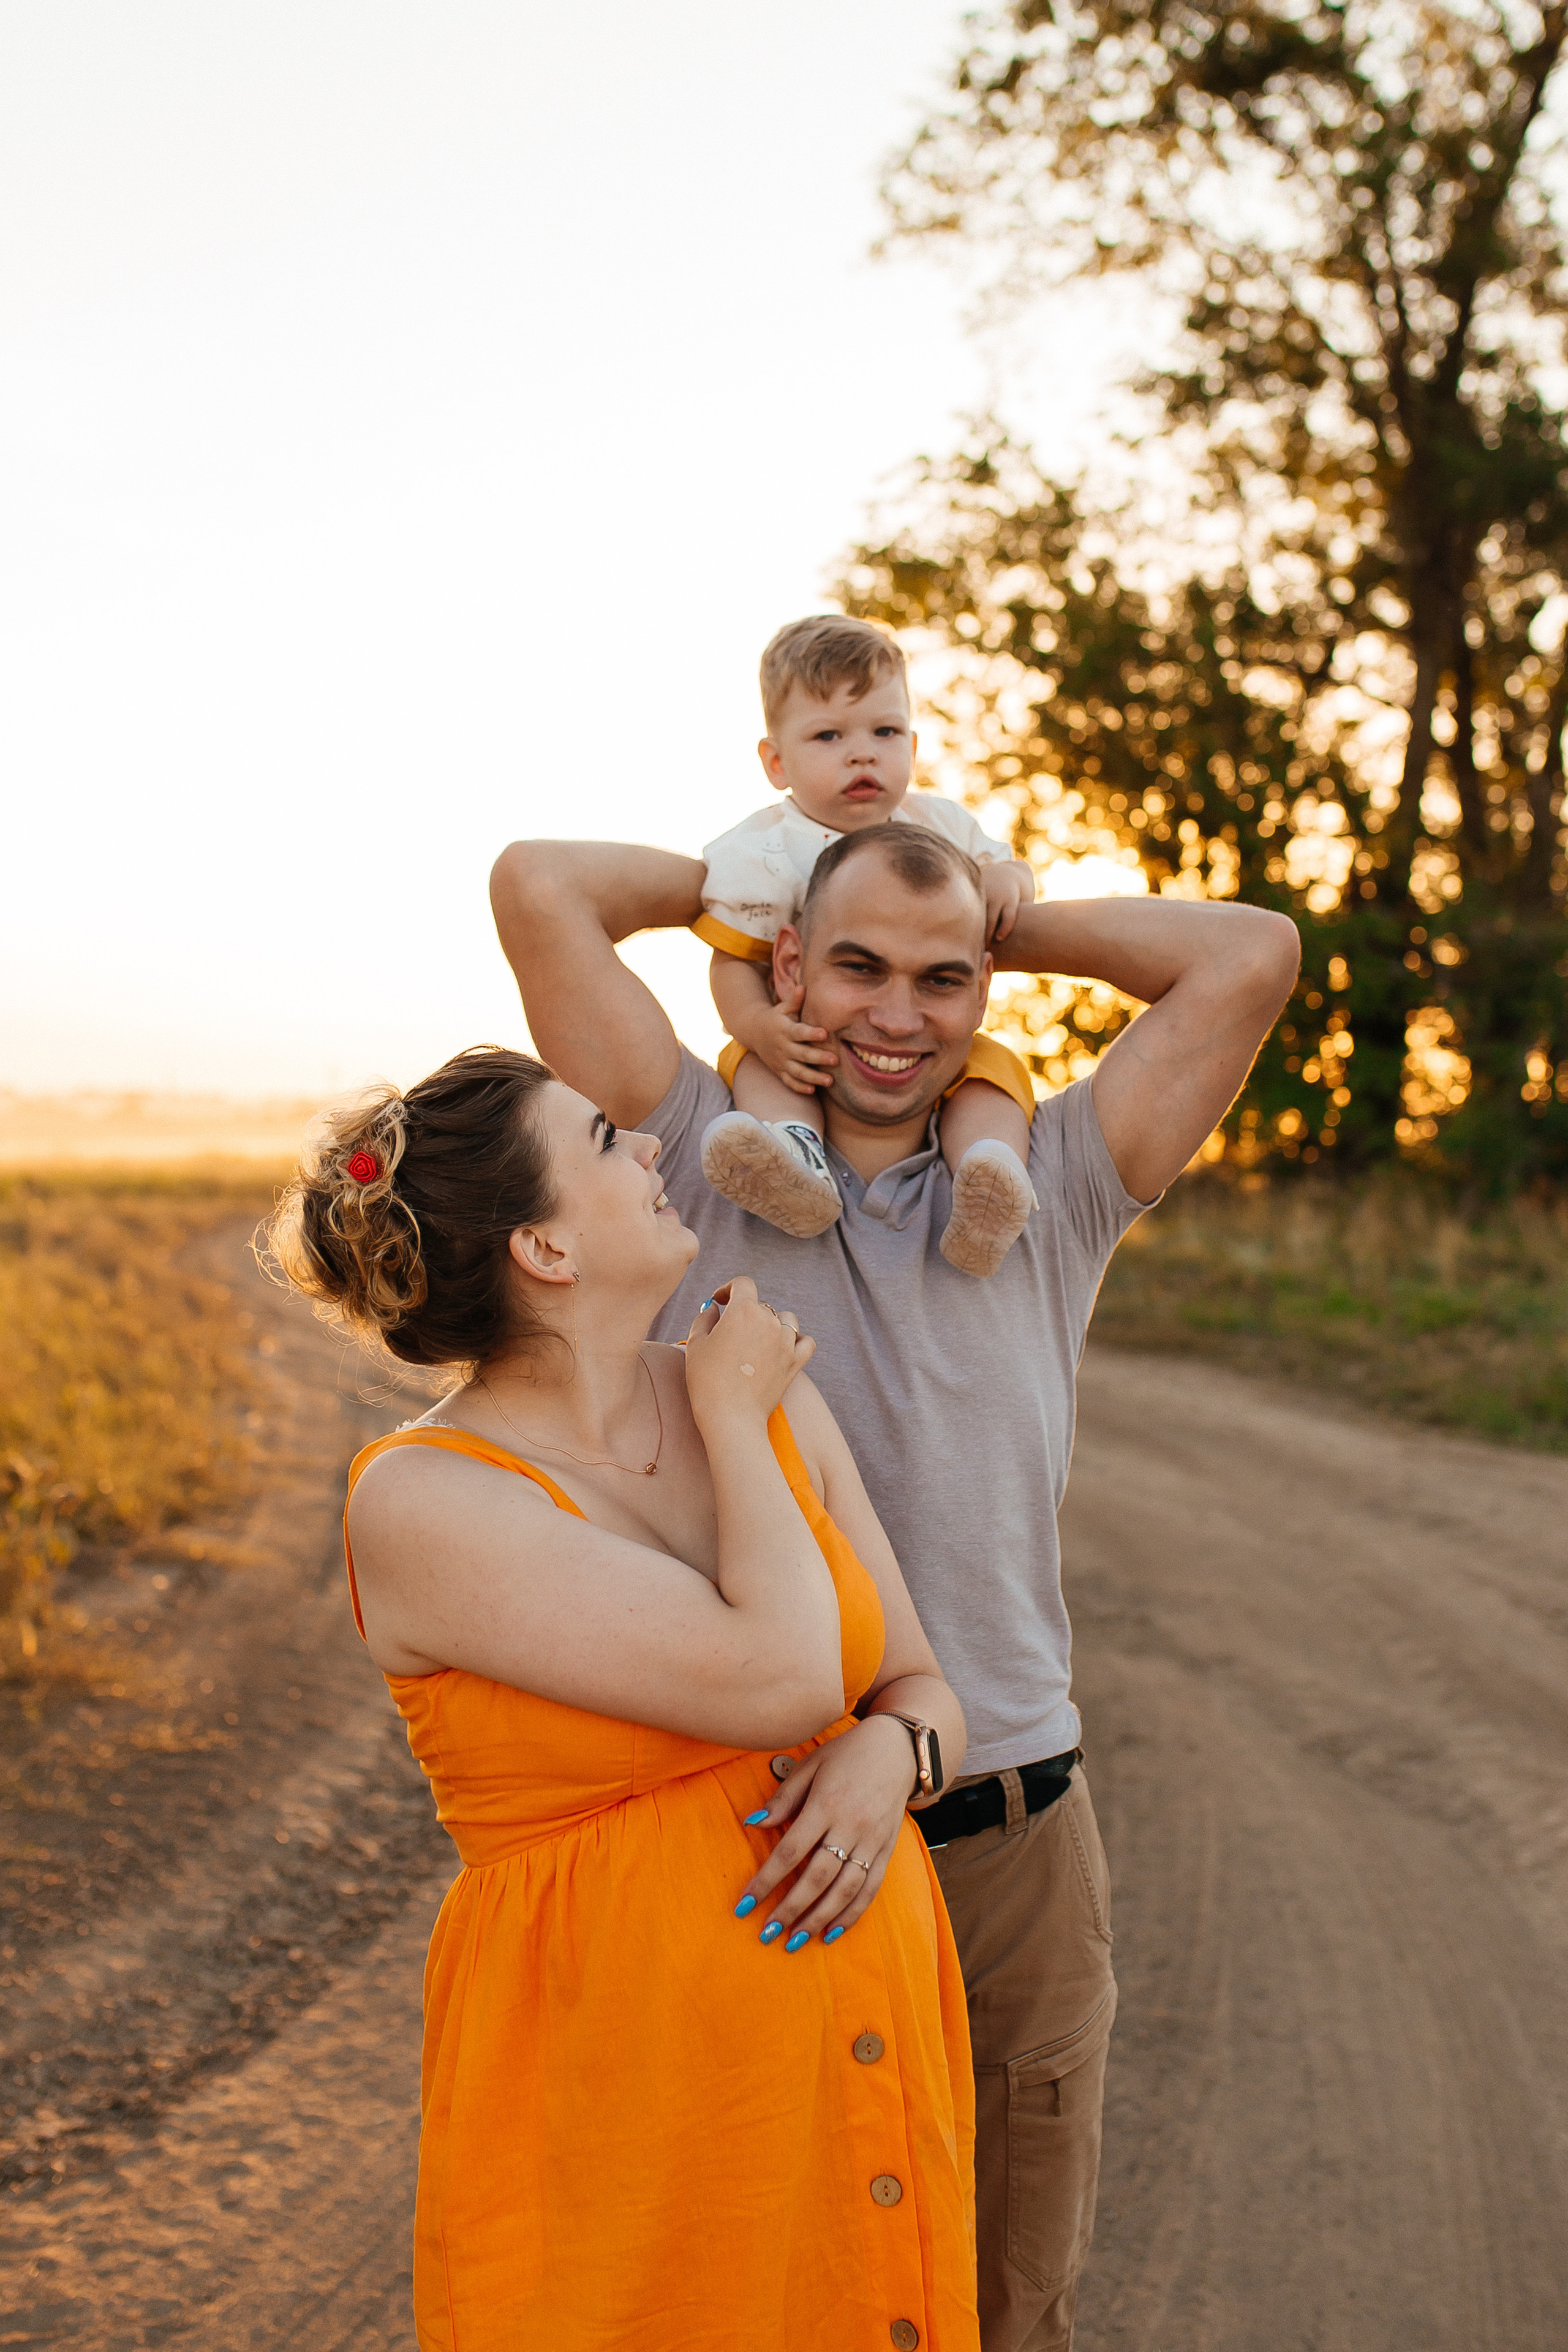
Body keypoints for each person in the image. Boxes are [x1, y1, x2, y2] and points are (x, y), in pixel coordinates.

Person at [489, 827, 1300, 2352]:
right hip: (759, 1839)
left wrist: (1013, 914)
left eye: (944, 979)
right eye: (854, 963)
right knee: (757, 2300)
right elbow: (540, 887)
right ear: (790, 963)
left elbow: (1247, 953)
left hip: (1003, 1838)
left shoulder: (1050, 1179)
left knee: (1001, 2306)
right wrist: (748, 905)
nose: (897, 1013)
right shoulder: (680, 1158)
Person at [263, 1046, 980, 2352]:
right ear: (542, 1248)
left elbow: (919, 1686)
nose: (653, 1151)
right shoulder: (422, 1498)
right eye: (604, 1142)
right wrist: (727, 1414)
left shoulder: (762, 1394)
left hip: (851, 2065)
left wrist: (894, 1757)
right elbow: (775, 1678)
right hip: (631, 2103)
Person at [695, 614, 1041, 1276]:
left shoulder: (939, 825)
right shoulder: (766, 850)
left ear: (911, 742)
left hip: (928, 1054)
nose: (862, 754)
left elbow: (1008, 873)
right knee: (763, 1070)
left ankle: (988, 1180)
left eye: (884, 732)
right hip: (797, 1034)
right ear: (777, 762)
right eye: (828, 736)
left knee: (993, 1075)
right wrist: (757, 1027)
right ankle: (792, 1160)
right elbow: (732, 957)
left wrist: (1007, 875)